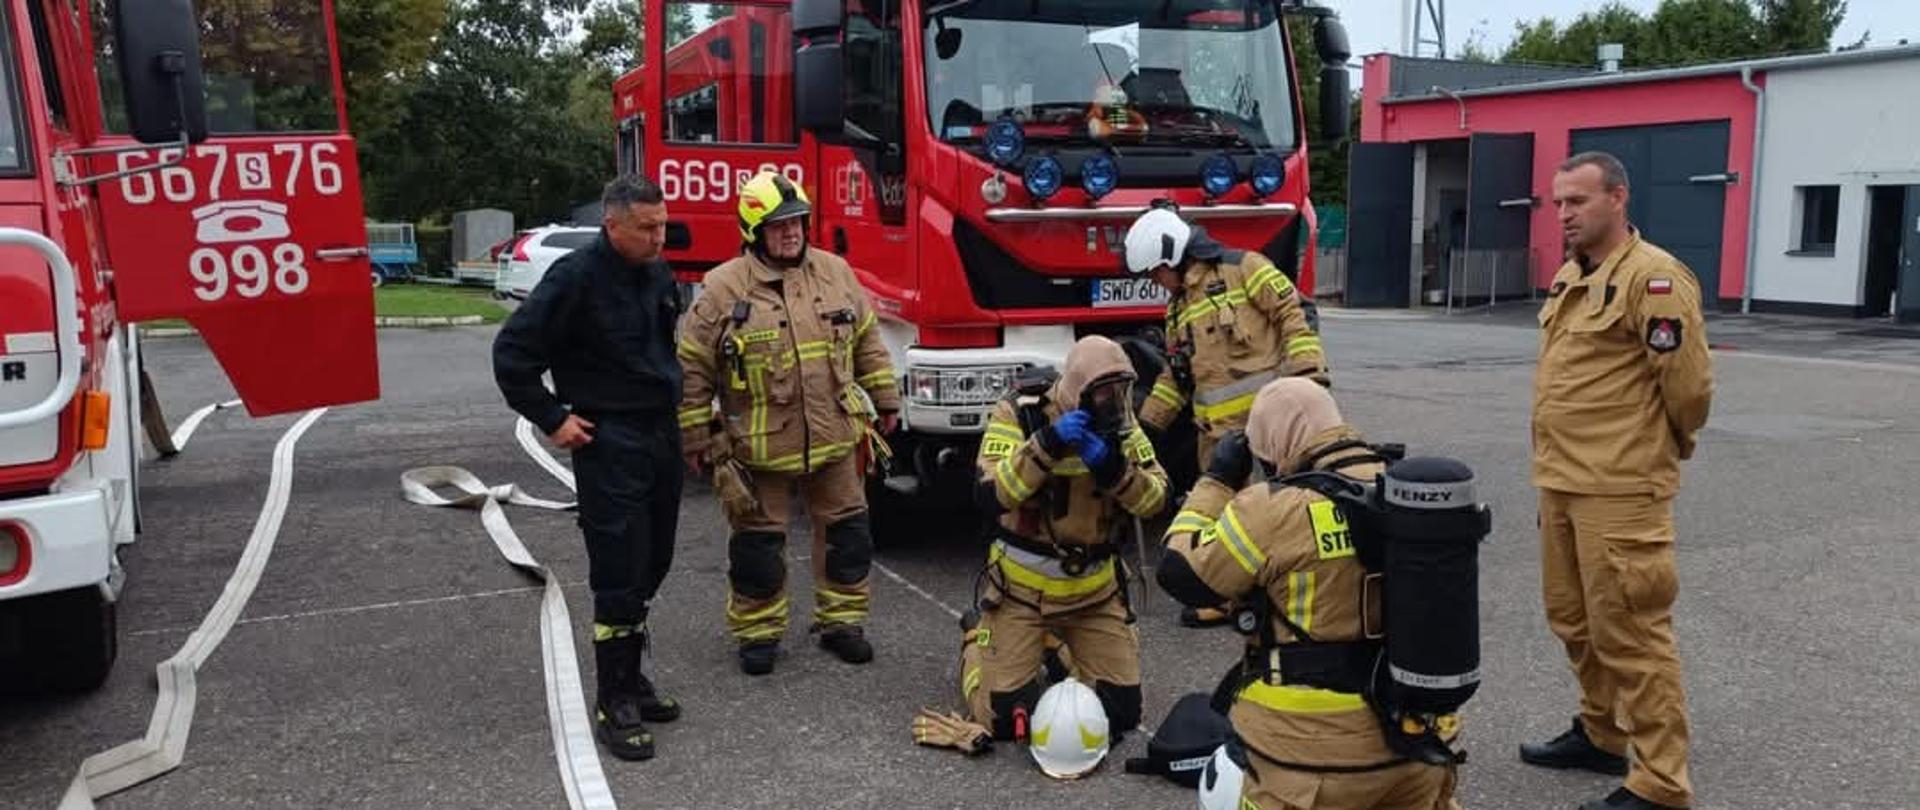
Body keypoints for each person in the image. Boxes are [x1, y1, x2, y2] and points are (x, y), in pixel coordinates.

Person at [1158, 378, 1461, 809]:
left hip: (1311, 760)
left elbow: (1180, 574)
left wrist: (1217, 480)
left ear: (1275, 444)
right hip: (1419, 749)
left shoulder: (1274, 508)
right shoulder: (1407, 492)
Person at [1520, 152, 1712, 810]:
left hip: (1619, 488)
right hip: (1563, 480)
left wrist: (1666, 445)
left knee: (1631, 631)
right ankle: (1602, 736)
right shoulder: (1573, 278)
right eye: (1557, 203)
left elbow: (1688, 387)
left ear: (1619, 199)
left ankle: (1661, 782)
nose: (1565, 214)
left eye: (1578, 201)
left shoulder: (1655, 280)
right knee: (1574, 621)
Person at [491, 175, 685, 762]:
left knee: (655, 558)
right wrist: (554, 419)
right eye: (646, 228)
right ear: (612, 225)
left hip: (659, 431)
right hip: (609, 438)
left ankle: (634, 675)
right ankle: (615, 699)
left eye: (662, 225)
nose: (659, 238)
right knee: (619, 568)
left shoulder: (656, 273)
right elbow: (512, 355)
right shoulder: (574, 279)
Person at [676, 170, 900, 676]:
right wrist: (695, 436)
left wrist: (885, 397)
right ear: (753, 231)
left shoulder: (835, 273)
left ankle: (842, 624)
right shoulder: (722, 288)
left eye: (797, 222)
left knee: (848, 535)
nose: (791, 232)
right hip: (757, 447)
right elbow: (693, 367)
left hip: (835, 436)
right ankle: (758, 634)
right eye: (778, 226)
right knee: (758, 549)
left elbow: (867, 339)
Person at [946, 335, 1168, 748]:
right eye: (1103, 392)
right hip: (1022, 593)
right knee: (1007, 718)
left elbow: (1156, 499)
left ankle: (1056, 648)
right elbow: (991, 494)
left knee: (1117, 714)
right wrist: (1044, 447)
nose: (1114, 401)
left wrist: (1113, 469)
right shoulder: (1020, 414)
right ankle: (976, 642)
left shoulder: (1122, 426)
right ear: (1078, 388)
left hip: (1094, 593)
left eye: (1121, 390)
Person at [1124, 203, 1328, 628]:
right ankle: (1230, 599)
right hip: (1216, 440)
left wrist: (1309, 380)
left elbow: (1293, 313)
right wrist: (1145, 427)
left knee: (1282, 513)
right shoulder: (1178, 308)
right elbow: (1176, 375)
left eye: (1155, 273)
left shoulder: (1245, 268)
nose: (1155, 283)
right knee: (1228, 523)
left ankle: (1290, 596)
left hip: (1269, 430)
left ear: (1173, 254)